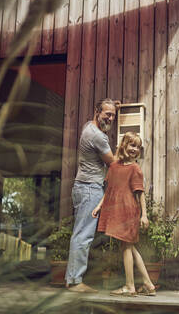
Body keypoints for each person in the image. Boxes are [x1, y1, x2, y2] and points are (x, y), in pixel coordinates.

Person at [65, 98, 120, 293]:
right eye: (107, 114)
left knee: (81, 233)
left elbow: (101, 121)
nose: (111, 118)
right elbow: (112, 163)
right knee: (83, 235)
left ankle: (73, 278)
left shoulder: (88, 126)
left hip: (83, 187)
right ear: (97, 112)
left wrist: (112, 106)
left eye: (113, 115)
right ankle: (74, 281)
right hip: (90, 189)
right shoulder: (98, 137)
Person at [92, 132, 156, 297]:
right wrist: (99, 206)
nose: (134, 149)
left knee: (127, 247)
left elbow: (140, 193)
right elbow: (109, 190)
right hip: (116, 211)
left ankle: (129, 286)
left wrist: (144, 215)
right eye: (131, 145)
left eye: (137, 147)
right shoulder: (114, 167)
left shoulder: (135, 169)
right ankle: (148, 284)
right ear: (124, 145)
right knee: (129, 247)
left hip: (128, 211)